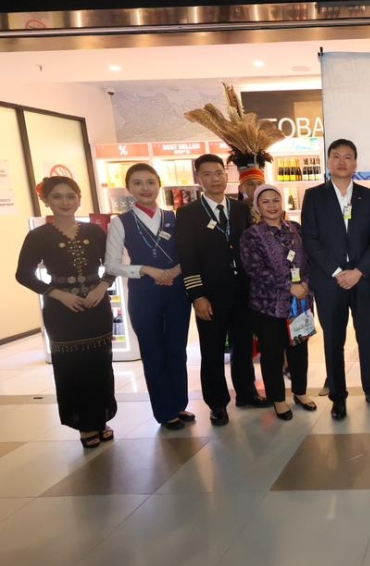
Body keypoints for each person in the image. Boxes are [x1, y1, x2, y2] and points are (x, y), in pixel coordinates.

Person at [16, 177, 117, 448]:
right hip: (61, 310)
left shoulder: (94, 232)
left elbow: (113, 264)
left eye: (70, 196)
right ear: (47, 201)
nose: (65, 202)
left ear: (79, 199)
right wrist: (57, 294)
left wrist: (103, 286)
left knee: (100, 363)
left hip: (97, 305)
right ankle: (83, 424)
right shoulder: (38, 236)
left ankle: (101, 418)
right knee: (71, 368)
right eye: (57, 197)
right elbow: (23, 275)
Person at [177, 153, 267, 427]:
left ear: (226, 176)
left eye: (219, 173)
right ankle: (217, 403)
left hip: (242, 292)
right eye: (207, 174)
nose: (215, 179)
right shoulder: (188, 213)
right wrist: (198, 296)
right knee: (213, 350)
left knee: (243, 346)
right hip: (211, 295)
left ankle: (246, 393)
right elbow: (187, 258)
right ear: (198, 179)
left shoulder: (240, 209)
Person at [302, 139, 370, 421]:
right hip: (330, 283)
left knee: (367, 339)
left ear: (355, 163)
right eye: (336, 156)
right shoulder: (314, 196)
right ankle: (338, 396)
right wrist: (338, 273)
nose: (341, 161)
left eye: (348, 157)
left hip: (363, 281)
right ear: (328, 161)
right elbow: (310, 240)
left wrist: (359, 271)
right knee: (333, 341)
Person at [105, 163, 193, 430]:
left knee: (177, 350)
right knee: (153, 352)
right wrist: (145, 269)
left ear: (159, 184)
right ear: (129, 187)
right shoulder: (120, 222)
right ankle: (165, 412)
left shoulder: (175, 217)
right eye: (138, 183)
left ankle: (179, 404)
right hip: (144, 293)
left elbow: (190, 252)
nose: (145, 188)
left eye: (150, 182)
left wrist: (177, 269)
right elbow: (111, 264)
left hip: (177, 290)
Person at [241, 184, 316, 420]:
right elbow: (254, 270)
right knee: (272, 353)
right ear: (257, 207)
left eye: (276, 200)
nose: (272, 206)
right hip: (268, 306)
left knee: (299, 349)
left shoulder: (295, 229)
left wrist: (305, 284)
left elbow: (310, 260)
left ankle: (300, 392)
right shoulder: (251, 235)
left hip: (300, 303)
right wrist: (288, 286)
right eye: (266, 202)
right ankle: (278, 399)